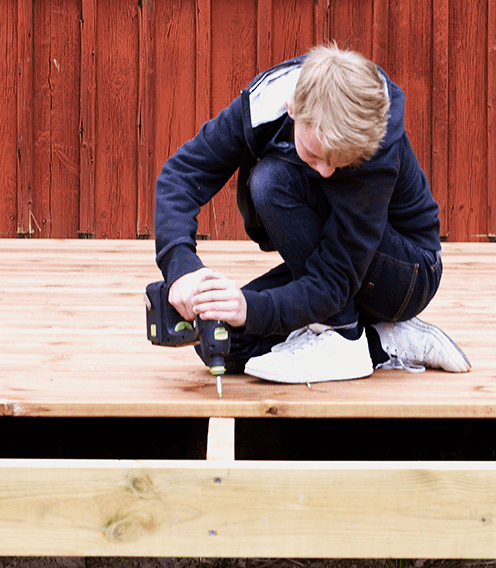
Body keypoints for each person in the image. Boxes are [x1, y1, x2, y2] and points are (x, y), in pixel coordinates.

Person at [154, 43, 469, 383]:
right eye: (316, 155)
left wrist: (252, 307)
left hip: (404, 273)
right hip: (336, 259)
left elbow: (335, 279)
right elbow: (182, 175)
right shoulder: (263, 107)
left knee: (271, 181)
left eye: (340, 163)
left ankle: (345, 337)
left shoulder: (372, 138)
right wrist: (181, 266)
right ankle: (383, 341)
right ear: (292, 108)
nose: (327, 174)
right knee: (225, 343)